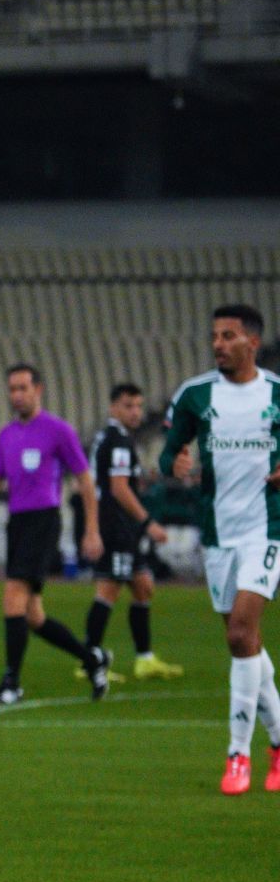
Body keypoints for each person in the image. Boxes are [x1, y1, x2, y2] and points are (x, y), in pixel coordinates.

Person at [159, 305, 280, 795]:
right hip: (217, 534)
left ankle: (237, 756)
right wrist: (176, 462)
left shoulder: (275, 392)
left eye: (228, 336)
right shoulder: (194, 395)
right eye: (214, 336)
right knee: (243, 643)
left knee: (240, 632)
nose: (218, 344)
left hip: (267, 529)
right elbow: (169, 454)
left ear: (252, 341)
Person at [0, 365, 109, 705]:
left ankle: (11, 682)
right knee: (33, 616)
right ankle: (92, 660)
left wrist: (92, 529)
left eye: (23, 388)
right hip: (17, 522)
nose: (17, 395)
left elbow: (85, 480)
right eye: (12, 389)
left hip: (44, 521)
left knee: (12, 594)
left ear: (38, 390)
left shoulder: (58, 431)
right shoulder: (6, 435)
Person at [82, 384, 182, 680]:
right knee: (108, 590)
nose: (136, 412)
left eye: (139, 405)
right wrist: (148, 523)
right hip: (114, 526)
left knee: (143, 586)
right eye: (128, 406)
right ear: (113, 408)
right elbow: (119, 488)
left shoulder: (113, 438)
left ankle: (144, 658)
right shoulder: (118, 442)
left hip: (120, 526)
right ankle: (88, 659)